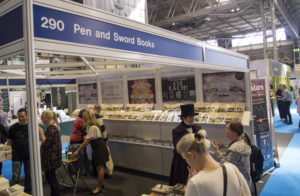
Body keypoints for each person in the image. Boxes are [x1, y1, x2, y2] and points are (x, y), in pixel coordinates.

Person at [177, 130, 251, 196]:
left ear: (191, 155)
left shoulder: (196, 183)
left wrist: (190, 179)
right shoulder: (231, 168)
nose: (187, 163)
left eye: (185, 159)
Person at [73, 109, 109, 194]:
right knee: (99, 168)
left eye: (83, 118)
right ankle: (101, 183)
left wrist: (77, 150)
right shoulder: (93, 125)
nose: (82, 120)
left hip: (99, 149)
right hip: (98, 148)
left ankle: (99, 187)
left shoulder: (92, 127)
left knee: (99, 169)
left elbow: (86, 141)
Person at [211, 120, 252, 188]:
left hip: (238, 186)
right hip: (246, 182)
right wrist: (219, 146)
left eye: (227, 128)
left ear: (233, 133)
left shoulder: (234, 150)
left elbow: (227, 166)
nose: (225, 130)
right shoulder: (243, 141)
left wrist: (217, 151)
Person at [169, 104, 201, 186]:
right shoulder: (177, 131)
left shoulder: (198, 128)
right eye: (190, 117)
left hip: (196, 160)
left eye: (193, 116)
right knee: (182, 184)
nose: (192, 119)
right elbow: (178, 149)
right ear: (183, 118)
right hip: (182, 163)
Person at [7, 108, 31, 194]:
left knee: (29, 175)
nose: (20, 118)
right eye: (19, 116)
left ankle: (27, 192)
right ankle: (13, 192)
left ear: (26, 116)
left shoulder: (30, 127)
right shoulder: (12, 128)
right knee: (15, 176)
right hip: (16, 155)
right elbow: (9, 142)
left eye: (22, 116)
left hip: (28, 155)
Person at [39, 110, 62, 196]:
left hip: (51, 159)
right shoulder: (52, 127)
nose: (41, 120)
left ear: (48, 118)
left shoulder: (52, 129)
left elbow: (46, 143)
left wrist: (41, 132)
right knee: (51, 178)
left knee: (51, 179)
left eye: (42, 118)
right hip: (52, 158)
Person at [93, 104, 114, 177]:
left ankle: (96, 171)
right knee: (107, 155)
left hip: (93, 140)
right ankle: (109, 171)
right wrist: (106, 139)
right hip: (100, 140)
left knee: (96, 156)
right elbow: (103, 130)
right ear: (99, 110)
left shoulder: (91, 117)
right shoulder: (98, 117)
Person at [69, 109, 88, 175]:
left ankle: (73, 170)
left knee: (74, 156)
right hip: (78, 140)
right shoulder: (81, 121)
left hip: (73, 139)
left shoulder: (77, 119)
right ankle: (80, 171)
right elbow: (85, 130)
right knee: (80, 157)